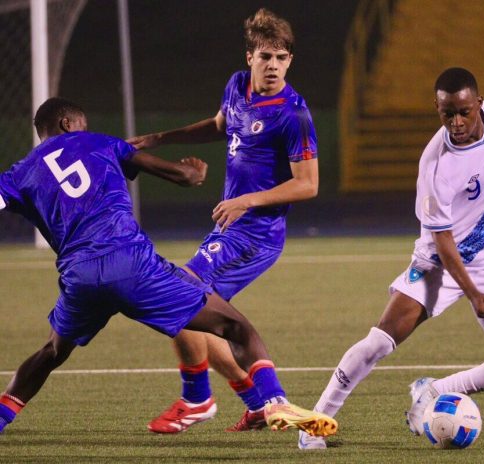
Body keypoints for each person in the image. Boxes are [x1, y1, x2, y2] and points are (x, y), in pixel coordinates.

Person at [0, 97, 337, 439]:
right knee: (235, 326)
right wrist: (193, 171)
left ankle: (2, 417)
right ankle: (273, 400)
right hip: (133, 267)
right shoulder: (103, 142)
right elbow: (181, 175)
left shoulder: (20, 172)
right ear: (68, 124)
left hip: (80, 278)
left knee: (51, 352)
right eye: (81, 126)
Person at [297, 67, 484, 449]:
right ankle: (313, 428)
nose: (457, 122)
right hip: (441, 265)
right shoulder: (435, 165)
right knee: (380, 340)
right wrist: (474, 293)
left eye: (464, 111)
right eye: (447, 113)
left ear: (480, 104)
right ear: (436, 108)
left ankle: (437, 390)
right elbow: (444, 243)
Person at [126, 8, 320, 433]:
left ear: (290, 60)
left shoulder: (293, 115)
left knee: (178, 291)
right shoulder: (236, 86)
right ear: (249, 56)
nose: (273, 65)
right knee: (198, 312)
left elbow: (307, 185)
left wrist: (247, 201)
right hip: (229, 229)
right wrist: (163, 138)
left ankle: (198, 399)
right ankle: (258, 403)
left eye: (282, 58)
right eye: (266, 56)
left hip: (257, 234)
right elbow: (220, 125)